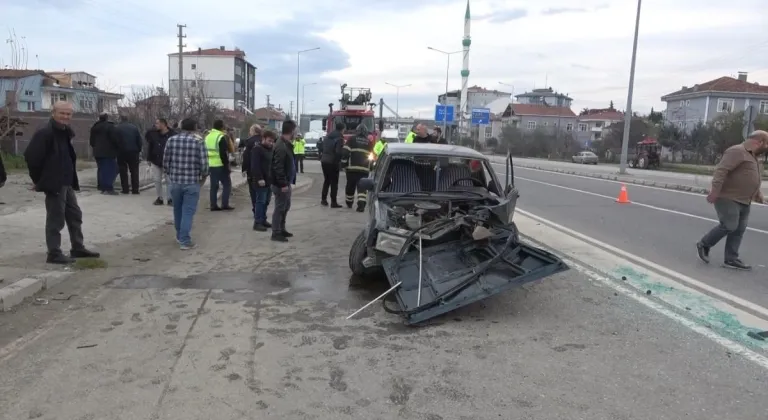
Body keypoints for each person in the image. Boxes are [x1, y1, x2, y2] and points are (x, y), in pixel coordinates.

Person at [24, 101, 100, 264]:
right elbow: (32, 157)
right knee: (55, 219)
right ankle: (54, 253)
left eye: (68, 113)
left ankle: (77, 248)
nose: (65, 116)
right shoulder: (45, 133)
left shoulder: (65, 132)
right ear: (53, 113)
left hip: (67, 181)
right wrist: (39, 181)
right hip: (54, 183)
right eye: (62, 113)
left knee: (75, 215)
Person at [697, 130, 768, 270]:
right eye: (767, 144)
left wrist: (758, 195)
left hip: (744, 200)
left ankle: (731, 259)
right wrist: (715, 191)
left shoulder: (753, 156)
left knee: (739, 230)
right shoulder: (736, 151)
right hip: (728, 197)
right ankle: (704, 244)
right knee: (729, 225)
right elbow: (721, 171)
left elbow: (752, 178)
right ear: (759, 142)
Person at [163, 118, 209, 250]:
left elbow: (166, 161)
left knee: (177, 210)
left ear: (181, 127)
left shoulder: (171, 140)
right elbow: (204, 165)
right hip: (191, 181)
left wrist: (170, 173)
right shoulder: (199, 141)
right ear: (195, 127)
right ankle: (185, 240)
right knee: (188, 212)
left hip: (175, 181)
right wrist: (203, 177)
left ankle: (179, 235)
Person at [270, 120, 297, 242]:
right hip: (281, 184)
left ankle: (282, 228)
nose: (296, 132)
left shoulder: (286, 144)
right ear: (291, 131)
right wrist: (282, 184)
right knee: (280, 207)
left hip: (286, 182)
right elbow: (278, 166)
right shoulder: (281, 145)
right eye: (295, 130)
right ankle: (276, 232)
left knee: (286, 206)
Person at [342, 123, 373, 212]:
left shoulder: (351, 139)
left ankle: (349, 202)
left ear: (357, 131)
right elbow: (372, 157)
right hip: (364, 170)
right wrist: (370, 168)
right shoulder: (369, 142)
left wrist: (343, 164)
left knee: (350, 186)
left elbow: (345, 153)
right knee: (362, 187)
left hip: (352, 169)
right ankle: (361, 205)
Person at [145, 118, 176, 205]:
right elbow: (150, 146)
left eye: (157, 124)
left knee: (169, 180)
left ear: (163, 124)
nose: (156, 125)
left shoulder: (173, 135)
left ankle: (170, 198)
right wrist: (149, 158)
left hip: (169, 161)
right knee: (157, 180)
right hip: (156, 160)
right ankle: (160, 198)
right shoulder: (153, 134)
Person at [205, 119, 234, 211]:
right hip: (220, 164)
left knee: (214, 186)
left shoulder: (208, 136)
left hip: (211, 164)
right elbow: (223, 153)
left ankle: (213, 205)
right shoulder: (221, 137)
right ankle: (224, 204)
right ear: (222, 127)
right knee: (227, 184)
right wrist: (226, 165)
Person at [250, 130, 276, 231]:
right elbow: (255, 166)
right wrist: (259, 178)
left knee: (266, 201)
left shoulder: (271, 149)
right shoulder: (257, 149)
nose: (271, 143)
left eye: (272, 141)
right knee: (260, 201)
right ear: (263, 139)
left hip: (269, 180)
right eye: (269, 141)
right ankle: (257, 222)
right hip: (260, 181)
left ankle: (263, 219)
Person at [89, 112, 120, 195]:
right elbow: (115, 139)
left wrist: (95, 147)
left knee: (101, 169)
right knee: (111, 169)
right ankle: (108, 188)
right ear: (107, 118)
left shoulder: (94, 127)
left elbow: (91, 141)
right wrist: (117, 147)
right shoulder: (110, 127)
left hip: (97, 152)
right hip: (108, 152)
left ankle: (102, 187)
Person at [115, 115, 143, 194]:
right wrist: (139, 150)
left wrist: (116, 150)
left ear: (120, 119)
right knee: (134, 170)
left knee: (123, 170)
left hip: (121, 152)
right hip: (133, 152)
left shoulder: (117, 128)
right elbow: (139, 140)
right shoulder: (134, 128)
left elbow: (115, 141)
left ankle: (125, 189)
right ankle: (135, 189)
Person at [320, 122, 345, 208]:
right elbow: (338, 152)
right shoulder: (340, 138)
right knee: (334, 182)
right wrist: (339, 162)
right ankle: (333, 202)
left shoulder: (328, 136)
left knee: (327, 180)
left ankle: (323, 200)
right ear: (342, 129)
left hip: (324, 160)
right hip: (332, 162)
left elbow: (322, 147)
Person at [241, 124, 262, 216]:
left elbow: (246, 157)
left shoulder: (249, 142)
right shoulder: (264, 140)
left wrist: (244, 169)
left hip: (251, 170)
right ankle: (261, 211)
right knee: (262, 192)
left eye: (250, 130)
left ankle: (256, 209)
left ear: (253, 131)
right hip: (263, 170)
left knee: (253, 191)